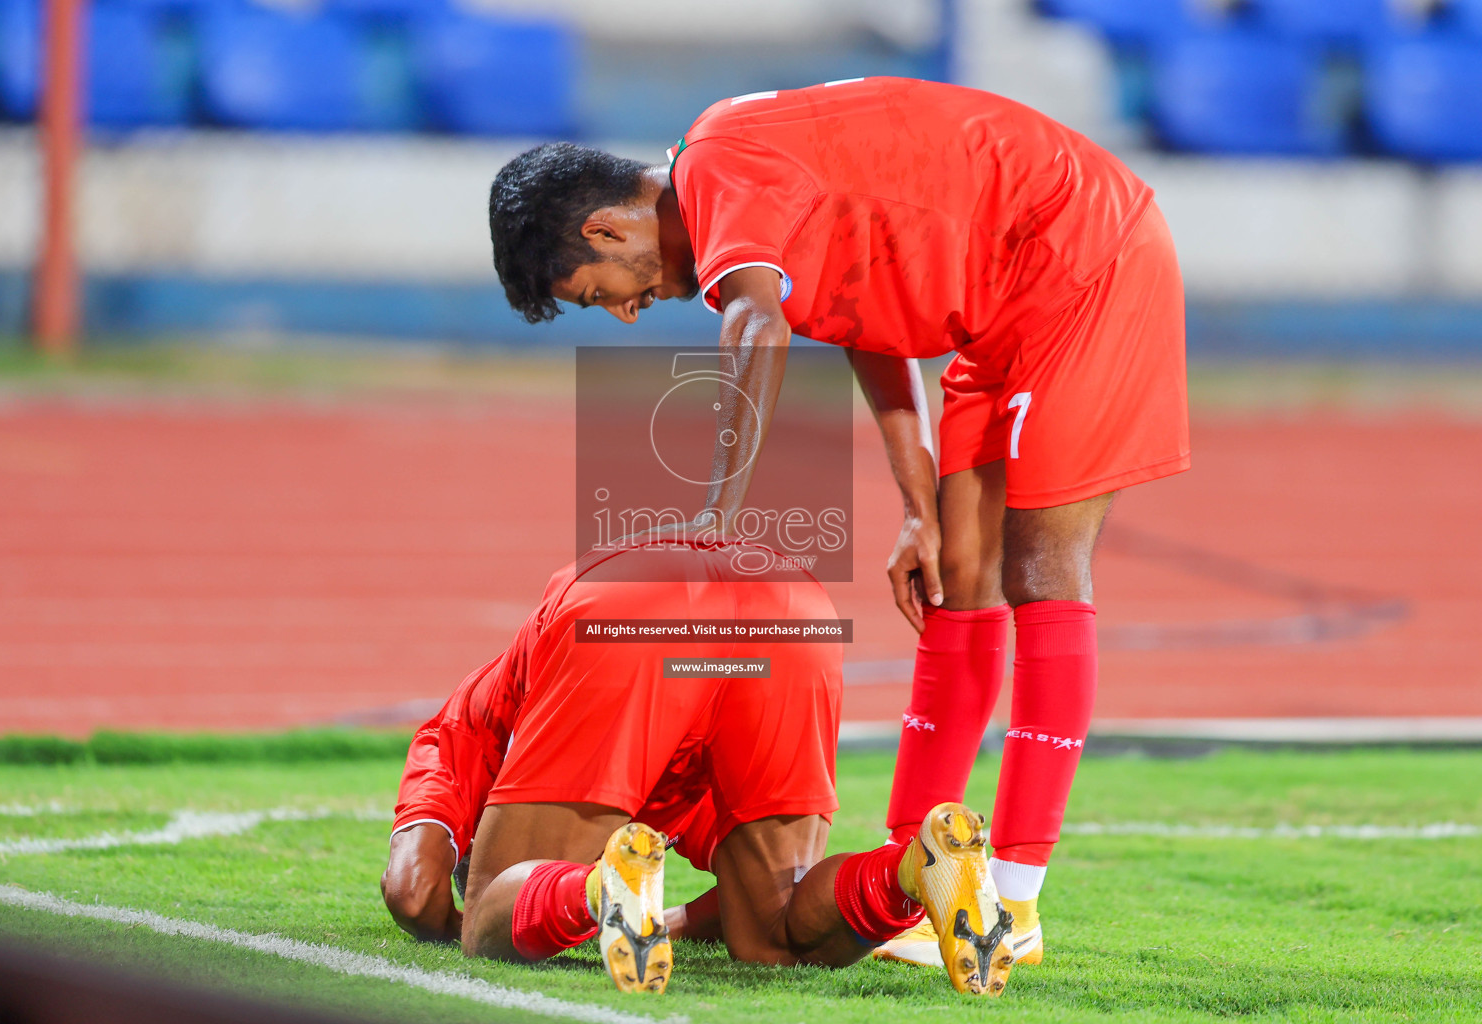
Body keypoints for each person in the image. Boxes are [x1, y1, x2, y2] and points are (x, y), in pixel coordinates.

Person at [488, 77, 1190, 963]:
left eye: (601, 294)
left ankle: (1012, 903)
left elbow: (760, 325)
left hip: (1083, 257)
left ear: (606, 229)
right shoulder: (739, 188)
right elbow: (866, 314)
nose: (629, 311)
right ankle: (923, 885)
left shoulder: (715, 167)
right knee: (957, 579)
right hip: (1003, 302)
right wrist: (914, 507)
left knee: (1041, 572)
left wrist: (715, 522)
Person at [380, 539, 1017, 995]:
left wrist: (480, 907)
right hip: (786, 601)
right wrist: (673, 922)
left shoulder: (469, 731)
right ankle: (913, 869)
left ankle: (600, 890)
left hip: (631, 608)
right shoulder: (657, 783)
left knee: (493, 912)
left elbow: (414, 892)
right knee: (775, 937)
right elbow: (751, 906)